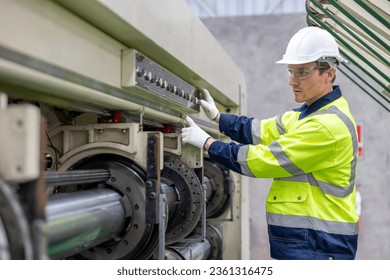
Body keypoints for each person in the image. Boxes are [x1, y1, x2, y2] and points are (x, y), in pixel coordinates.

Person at [181, 26, 359, 260]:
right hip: (307, 240)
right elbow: (258, 130)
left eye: (302, 72)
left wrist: (209, 144)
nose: (292, 81)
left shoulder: (326, 126)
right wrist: (218, 117)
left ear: (329, 73)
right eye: (290, 71)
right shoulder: (303, 116)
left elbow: (264, 160)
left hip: (318, 244)